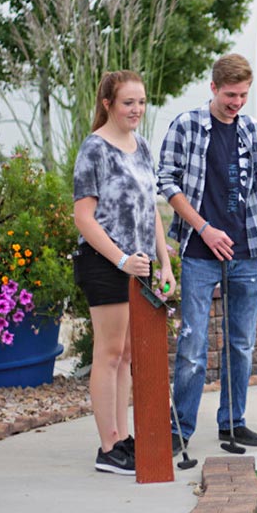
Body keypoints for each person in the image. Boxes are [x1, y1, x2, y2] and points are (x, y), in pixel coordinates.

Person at [157, 53, 257, 455]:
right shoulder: (187, 125)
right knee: (193, 345)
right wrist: (204, 228)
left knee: (242, 342)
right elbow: (165, 181)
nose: (237, 102)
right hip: (200, 250)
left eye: (244, 94)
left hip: (247, 250)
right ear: (213, 88)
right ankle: (181, 429)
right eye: (231, 94)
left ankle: (234, 421)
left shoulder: (248, 126)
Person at [73, 70, 176, 475]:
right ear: (108, 104)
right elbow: (84, 217)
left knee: (129, 354)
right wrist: (120, 260)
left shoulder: (142, 146)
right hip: (105, 264)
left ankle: (123, 438)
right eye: (128, 102)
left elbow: (150, 210)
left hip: (139, 266)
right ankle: (108, 446)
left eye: (141, 102)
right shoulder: (94, 148)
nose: (136, 109)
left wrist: (164, 262)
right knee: (110, 352)